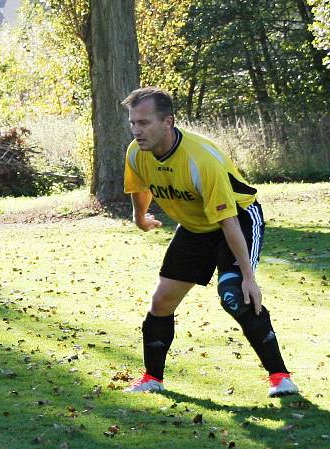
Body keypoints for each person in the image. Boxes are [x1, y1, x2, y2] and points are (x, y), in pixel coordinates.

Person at [121, 86, 298, 398]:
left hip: (238, 217)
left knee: (235, 295)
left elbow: (227, 221)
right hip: (194, 226)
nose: (137, 130)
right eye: (133, 123)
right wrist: (140, 217)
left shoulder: (201, 159)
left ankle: (281, 378)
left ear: (168, 122)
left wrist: (248, 277)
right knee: (161, 302)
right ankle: (152, 378)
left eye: (144, 123)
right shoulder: (137, 152)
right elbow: (140, 185)